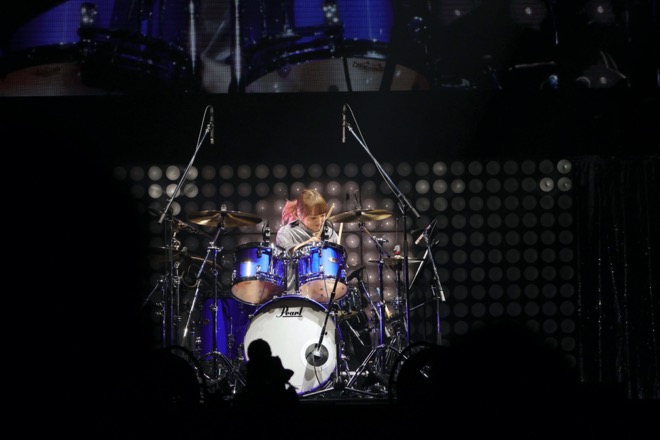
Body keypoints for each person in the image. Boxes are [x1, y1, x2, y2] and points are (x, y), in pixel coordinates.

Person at [275, 188, 340, 294]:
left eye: (323, 216)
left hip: (326, 293)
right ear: (299, 214)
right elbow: (289, 253)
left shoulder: (331, 234)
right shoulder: (286, 232)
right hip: (294, 293)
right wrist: (307, 245)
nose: (319, 221)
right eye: (313, 218)